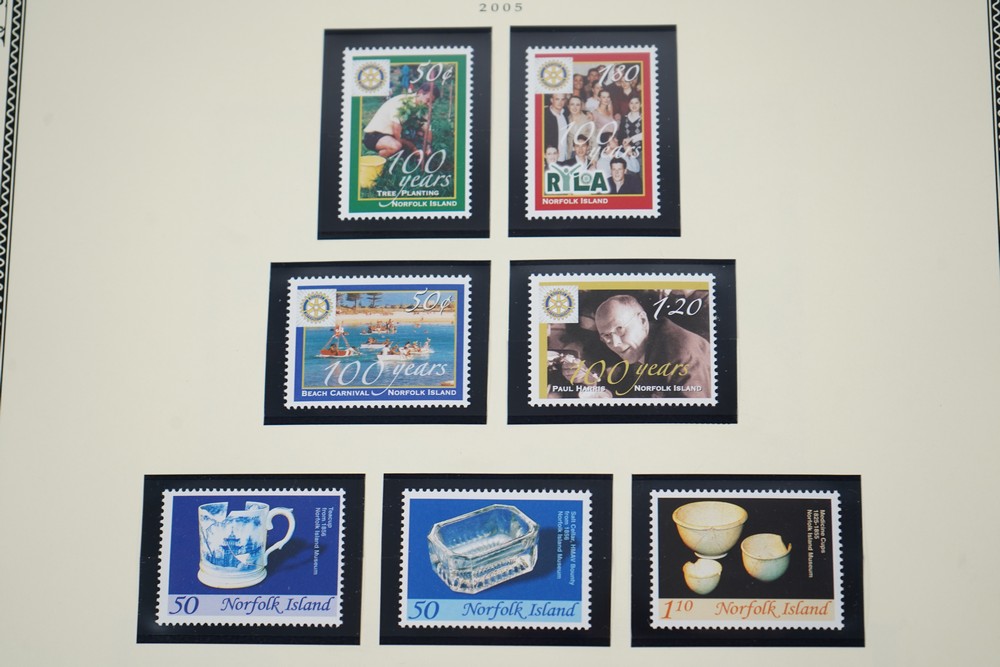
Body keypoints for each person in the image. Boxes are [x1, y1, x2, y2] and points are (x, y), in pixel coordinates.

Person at [593, 294, 711, 397]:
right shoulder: (638, 345)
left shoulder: (682, 357)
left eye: (620, 329)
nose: (615, 343)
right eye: (606, 335)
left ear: (643, 320)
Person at [362, 81, 439, 157]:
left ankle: (405, 154)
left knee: (420, 135)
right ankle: (378, 159)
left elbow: (427, 129)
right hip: (375, 135)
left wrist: (428, 146)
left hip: (392, 135)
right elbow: (396, 127)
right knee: (396, 146)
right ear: (420, 93)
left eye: (432, 102)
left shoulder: (422, 108)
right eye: (428, 100)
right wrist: (412, 148)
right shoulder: (403, 102)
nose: (429, 104)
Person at [543, 93, 570, 161]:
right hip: (551, 157)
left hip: (564, 155)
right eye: (557, 99)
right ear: (552, 100)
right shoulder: (544, 115)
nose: (560, 102)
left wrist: (587, 113)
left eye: (562, 99)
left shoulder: (566, 112)